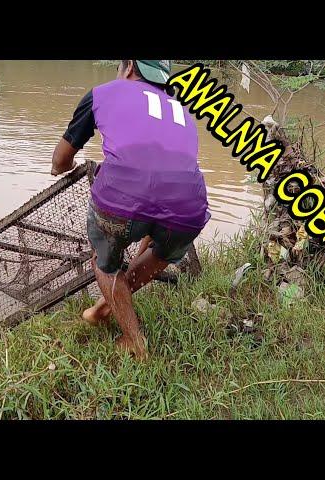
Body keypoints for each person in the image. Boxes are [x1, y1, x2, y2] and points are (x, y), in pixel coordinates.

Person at [51, 60, 210, 359]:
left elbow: (60, 160)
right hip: (190, 208)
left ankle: (134, 340)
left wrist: (65, 166)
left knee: (105, 264)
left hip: (121, 202)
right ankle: (104, 307)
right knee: (162, 249)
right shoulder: (181, 108)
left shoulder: (103, 93)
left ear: (128, 66)